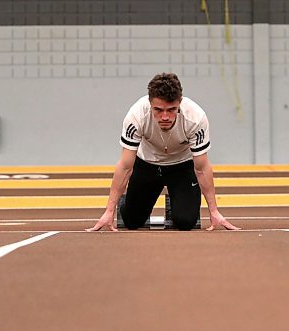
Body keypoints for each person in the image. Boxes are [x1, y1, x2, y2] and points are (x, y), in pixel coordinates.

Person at [87, 73, 241, 232]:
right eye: (158, 110)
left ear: (180, 103)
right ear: (150, 103)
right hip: (147, 164)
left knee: (185, 222)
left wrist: (214, 211)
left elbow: (202, 168)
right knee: (132, 221)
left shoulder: (196, 118)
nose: (165, 117)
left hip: (182, 166)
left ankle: (176, 200)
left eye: (171, 109)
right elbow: (125, 166)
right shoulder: (136, 116)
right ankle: (132, 202)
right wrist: (109, 211)